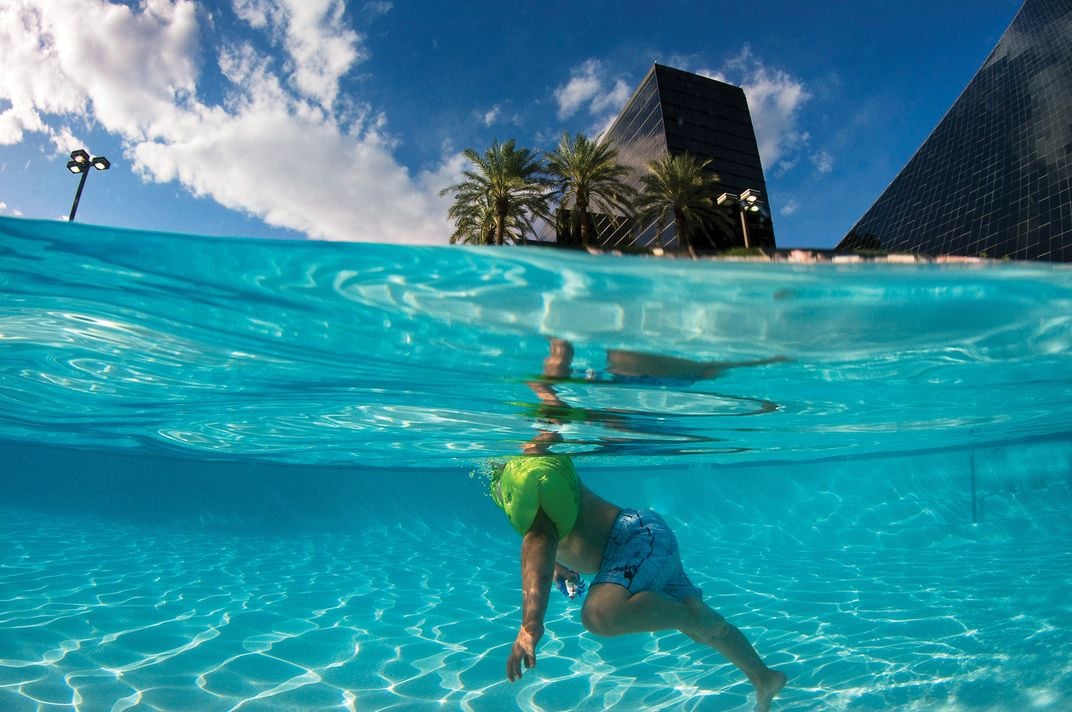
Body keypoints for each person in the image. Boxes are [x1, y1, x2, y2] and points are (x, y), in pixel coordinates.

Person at [489, 339, 788, 711]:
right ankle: (764, 677)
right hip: (638, 549)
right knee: (697, 616)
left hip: (634, 538)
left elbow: (539, 539)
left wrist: (531, 624)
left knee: (601, 614)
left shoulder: (531, 471)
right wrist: (562, 567)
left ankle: (689, 619)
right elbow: (550, 534)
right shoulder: (514, 484)